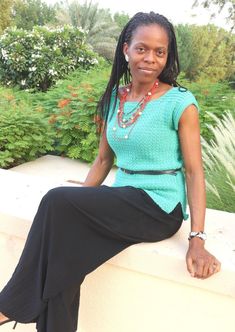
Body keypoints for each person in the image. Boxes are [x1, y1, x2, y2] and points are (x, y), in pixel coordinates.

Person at [0, 11, 221, 332]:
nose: (151, 58)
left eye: (160, 52)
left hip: (159, 207)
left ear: (167, 56)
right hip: (123, 199)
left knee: (55, 202)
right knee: (65, 258)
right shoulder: (113, 99)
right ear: (126, 49)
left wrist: (197, 239)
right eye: (142, 48)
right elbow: (103, 161)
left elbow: (194, 171)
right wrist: (83, 201)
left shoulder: (180, 102)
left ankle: (7, 307)